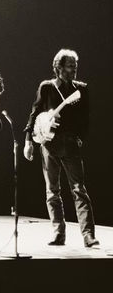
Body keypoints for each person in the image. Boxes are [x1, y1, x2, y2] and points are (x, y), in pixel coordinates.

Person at [23, 49, 99, 247]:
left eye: (75, 66)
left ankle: (88, 235)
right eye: (70, 66)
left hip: (70, 144)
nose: (74, 70)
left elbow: (85, 119)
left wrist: (80, 137)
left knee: (79, 190)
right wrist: (28, 141)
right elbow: (34, 113)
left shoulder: (81, 89)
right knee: (52, 191)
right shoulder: (46, 87)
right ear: (58, 68)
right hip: (48, 145)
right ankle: (58, 233)